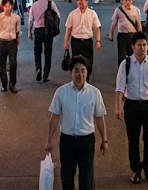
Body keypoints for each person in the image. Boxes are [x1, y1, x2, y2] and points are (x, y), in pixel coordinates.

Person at [46, 55, 107, 190]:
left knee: (87, 178)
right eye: (77, 71)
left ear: (87, 72)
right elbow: (55, 117)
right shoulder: (61, 92)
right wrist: (49, 140)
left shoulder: (94, 93)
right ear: (71, 73)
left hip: (86, 141)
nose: (80, 74)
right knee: (67, 176)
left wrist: (104, 139)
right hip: (67, 141)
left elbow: (99, 117)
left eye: (83, 70)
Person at [115, 33, 148, 184]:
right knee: (133, 139)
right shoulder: (126, 64)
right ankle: (136, 169)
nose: (142, 48)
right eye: (139, 45)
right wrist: (118, 107)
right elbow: (119, 88)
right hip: (131, 106)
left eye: (144, 45)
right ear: (132, 47)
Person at [64, 0, 102, 81]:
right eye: (79, 1)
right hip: (76, 41)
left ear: (87, 2)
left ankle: (86, 81)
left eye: (83, 0)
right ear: (77, 2)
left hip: (87, 42)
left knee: (88, 63)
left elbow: (96, 28)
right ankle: (76, 81)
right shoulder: (72, 14)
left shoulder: (92, 14)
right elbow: (68, 29)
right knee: (76, 63)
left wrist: (98, 41)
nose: (81, 2)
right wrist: (66, 42)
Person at [28, 0, 60, 82]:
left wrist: (30, 32)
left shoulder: (34, 5)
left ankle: (38, 69)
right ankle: (46, 74)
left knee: (37, 52)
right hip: (48, 32)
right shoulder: (51, 3)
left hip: (38, 31)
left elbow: (30, 20)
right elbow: (58, 15)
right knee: (47, 53)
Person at [0, 0, 21, 93]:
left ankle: (12, 84)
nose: (7, 8)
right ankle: (4, 84)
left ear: (12, 6)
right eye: (6, 6)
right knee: (2, 64)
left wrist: (18, 43)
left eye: (9, 6)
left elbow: (17, 32)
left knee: (13, 64)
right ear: (3, 7)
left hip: (12, 42)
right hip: (2, 42)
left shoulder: (16, 18)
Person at [109, 0, 144, 66]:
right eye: (126, 1)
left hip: (133, 35)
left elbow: (138, 23)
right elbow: (114, 23)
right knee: (122, 56)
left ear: (132, 1)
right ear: (123, 1)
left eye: (129, 0)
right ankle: (121, 71)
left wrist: (140, 36)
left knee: (134, 55)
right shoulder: (118, 10)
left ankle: (133, 70)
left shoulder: (136, 10)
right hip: (122, 35)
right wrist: (111, 34)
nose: (128, 2)